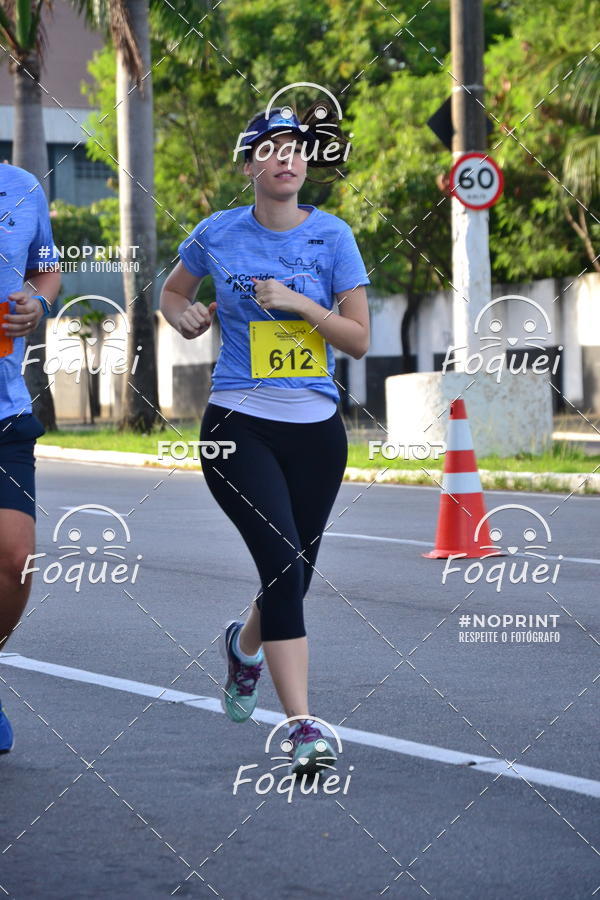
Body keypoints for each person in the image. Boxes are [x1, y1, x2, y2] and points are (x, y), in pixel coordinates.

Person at [160, 107, 370, 775]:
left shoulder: (334, 236)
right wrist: (184, 314)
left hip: (316, 429)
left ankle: (244, 645)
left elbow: (359, 339)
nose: (288, 159)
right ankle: (302, 726)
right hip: (236, 424)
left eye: (298, 149)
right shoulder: (216, 233)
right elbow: (171, 293)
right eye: (272, 150)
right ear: (249, 165)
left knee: (296, 572)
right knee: (283, 566)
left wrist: (305, 306)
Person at [0, 163, 61, 753]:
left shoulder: (22, 187)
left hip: (6, 411)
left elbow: (46, 272)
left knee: (16, 558)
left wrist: (36, 303)